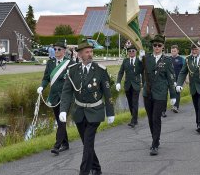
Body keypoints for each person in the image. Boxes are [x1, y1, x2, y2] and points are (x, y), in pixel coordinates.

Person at [59, 40, 115, 175]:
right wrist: (63, 110)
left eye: (91, 51)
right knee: (87, 144)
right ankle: (97, 168)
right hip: (79, 112)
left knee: (88, 143)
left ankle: (83, 172)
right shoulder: (72, 71)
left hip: (95, 111)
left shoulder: (100, 70)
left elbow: (107, 93)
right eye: (87, 52)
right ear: (79, 55)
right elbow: (67, 92)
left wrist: (110, 112)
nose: (90, 54)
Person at [142, 34, 176, 156]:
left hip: (160, 94)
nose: (156, 47)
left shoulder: (167, 61)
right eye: (155, 45)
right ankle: (155, 138)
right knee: (150, 118)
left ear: (163, 47)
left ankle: (155, 144)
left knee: (156, 118)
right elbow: (141, 74)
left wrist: (173, 95)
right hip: (147, 93)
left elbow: (171, 79)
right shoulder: (146, 58)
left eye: (159, 45)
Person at [37, 41, 73, 155]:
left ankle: (57, 146)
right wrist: (42, 86)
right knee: (59, 120)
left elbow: (74, 80)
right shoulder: (50, 63)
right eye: (55, 49)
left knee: (62, 120)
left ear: (64, 51)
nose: (56, 51)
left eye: (58, 49)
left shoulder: (70, 63)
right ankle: (66, 143)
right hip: (53, 96)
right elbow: (46, 78)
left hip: (65, 96)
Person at [115, 45, 142, 128]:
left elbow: (143, 71)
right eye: (129, 51)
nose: (131, 52)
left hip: (136, 85)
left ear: (136, 52)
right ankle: (134, 118)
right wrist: (118, 82)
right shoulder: (125, 61)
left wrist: (143, 59)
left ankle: (133, 120)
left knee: (134, 102)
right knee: (130, 103)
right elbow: (121, 72)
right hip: (127, 85)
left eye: (133, 51)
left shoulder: (139, 60)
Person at [170, 45, 185, 113]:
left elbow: (184, 70)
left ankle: (176, 106)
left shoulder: (181, 59)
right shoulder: (168, 59)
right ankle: (173, 105)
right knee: (172, 93)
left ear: (178, 51)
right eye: (172, 51)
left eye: (174, 51)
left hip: (179, 79)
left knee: (177, 92)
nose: (173, 52)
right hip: (170, 79)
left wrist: (185, 79)